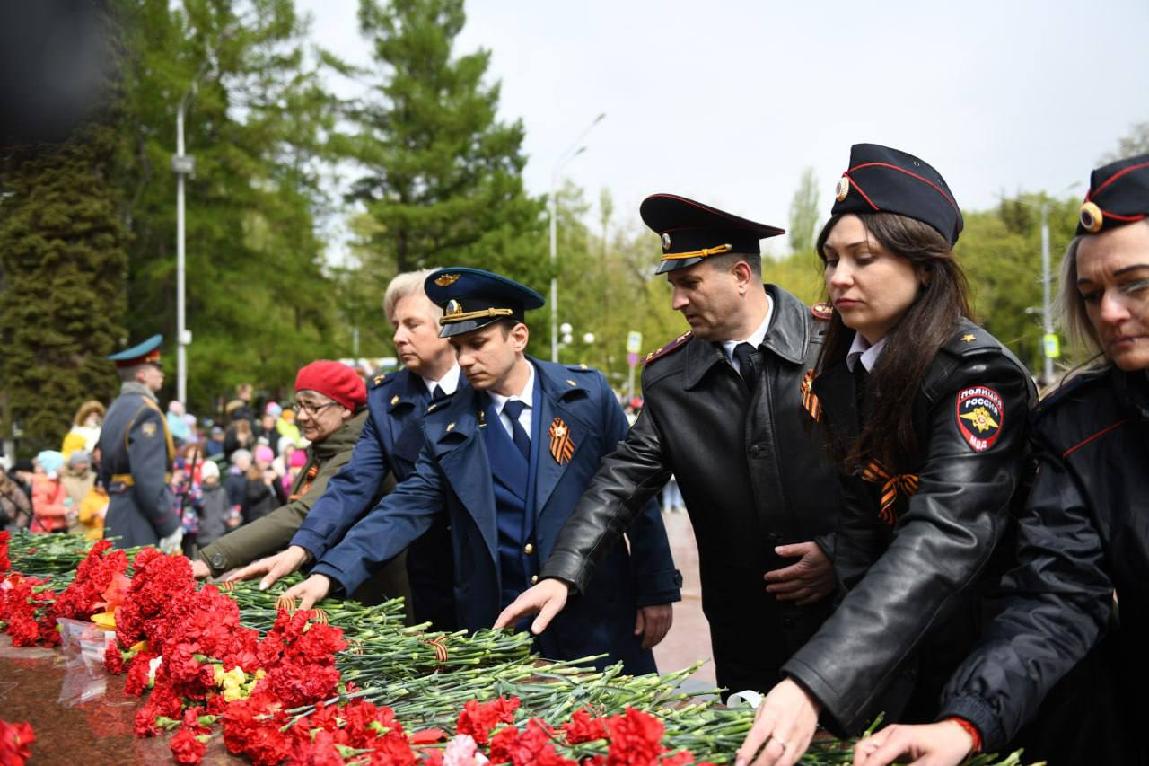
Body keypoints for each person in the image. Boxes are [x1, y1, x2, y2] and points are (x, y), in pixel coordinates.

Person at [718, 145, 1034, 766]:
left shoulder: (976, 376)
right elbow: (859, 535)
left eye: (865, 258)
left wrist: (820, 680)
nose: (838, 278)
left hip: (987, 655)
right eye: (832, 258)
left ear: (923, 266)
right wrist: (854, 696)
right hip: (899, 652)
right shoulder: (849, 366)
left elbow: (943, 536)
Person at [851, 154, 1149, 766]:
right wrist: (966, 722)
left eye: (1136, 284)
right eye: (1092, 294)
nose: (1110, 313)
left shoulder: (976, 372)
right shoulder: (1078, 425)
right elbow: (1059, 595)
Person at [496, 194, 843, 695]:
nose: (676, 301)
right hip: (746, 630)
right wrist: (562, 573)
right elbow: (620, 484)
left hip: (843, 612)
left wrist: (838, 552)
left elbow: (886, 475)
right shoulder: (671, 378)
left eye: (689, 284)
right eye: (674, 286)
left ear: (742, 276)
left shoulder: (833, 345)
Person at [266, 268, 681, 673]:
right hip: (502, 626)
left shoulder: (585, 397)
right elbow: (404, 507)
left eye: (478, 343)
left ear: (518, 337)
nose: (464, 359)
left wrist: (655, 588)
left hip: (595, 610)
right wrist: (330, 574)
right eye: (458, 345)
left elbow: (633, 496)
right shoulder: (446, 425)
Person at [223, 270, 464, 630]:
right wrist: (301, 548)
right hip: (421, 569)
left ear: (448, 324)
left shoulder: (484, 386)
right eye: (395, 325)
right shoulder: (386, 398)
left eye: (412, 324)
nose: (398, 337)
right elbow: (352, 484)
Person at [98, 334, 181, 549]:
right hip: (140, 521)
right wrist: (168, 523)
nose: (162, 373)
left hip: (118, 514)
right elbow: (148, 479)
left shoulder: (114, 410)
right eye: (157, 367)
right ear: (142, 375)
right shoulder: (146, 413)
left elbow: (105, 473)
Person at [61, 451, 96, 533]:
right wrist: (73, 515)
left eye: (86, 462)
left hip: (94, 521)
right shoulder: (65, 480)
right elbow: (65, 500)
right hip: (75, 523)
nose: (84, 466)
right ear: (73, 465)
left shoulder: (94, 478)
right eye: (80, 463)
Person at [0, 463, 32, 531]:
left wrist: (18, 526)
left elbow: (26, 508)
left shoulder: (13, 489)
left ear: (3, 472)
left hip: (9, 527)